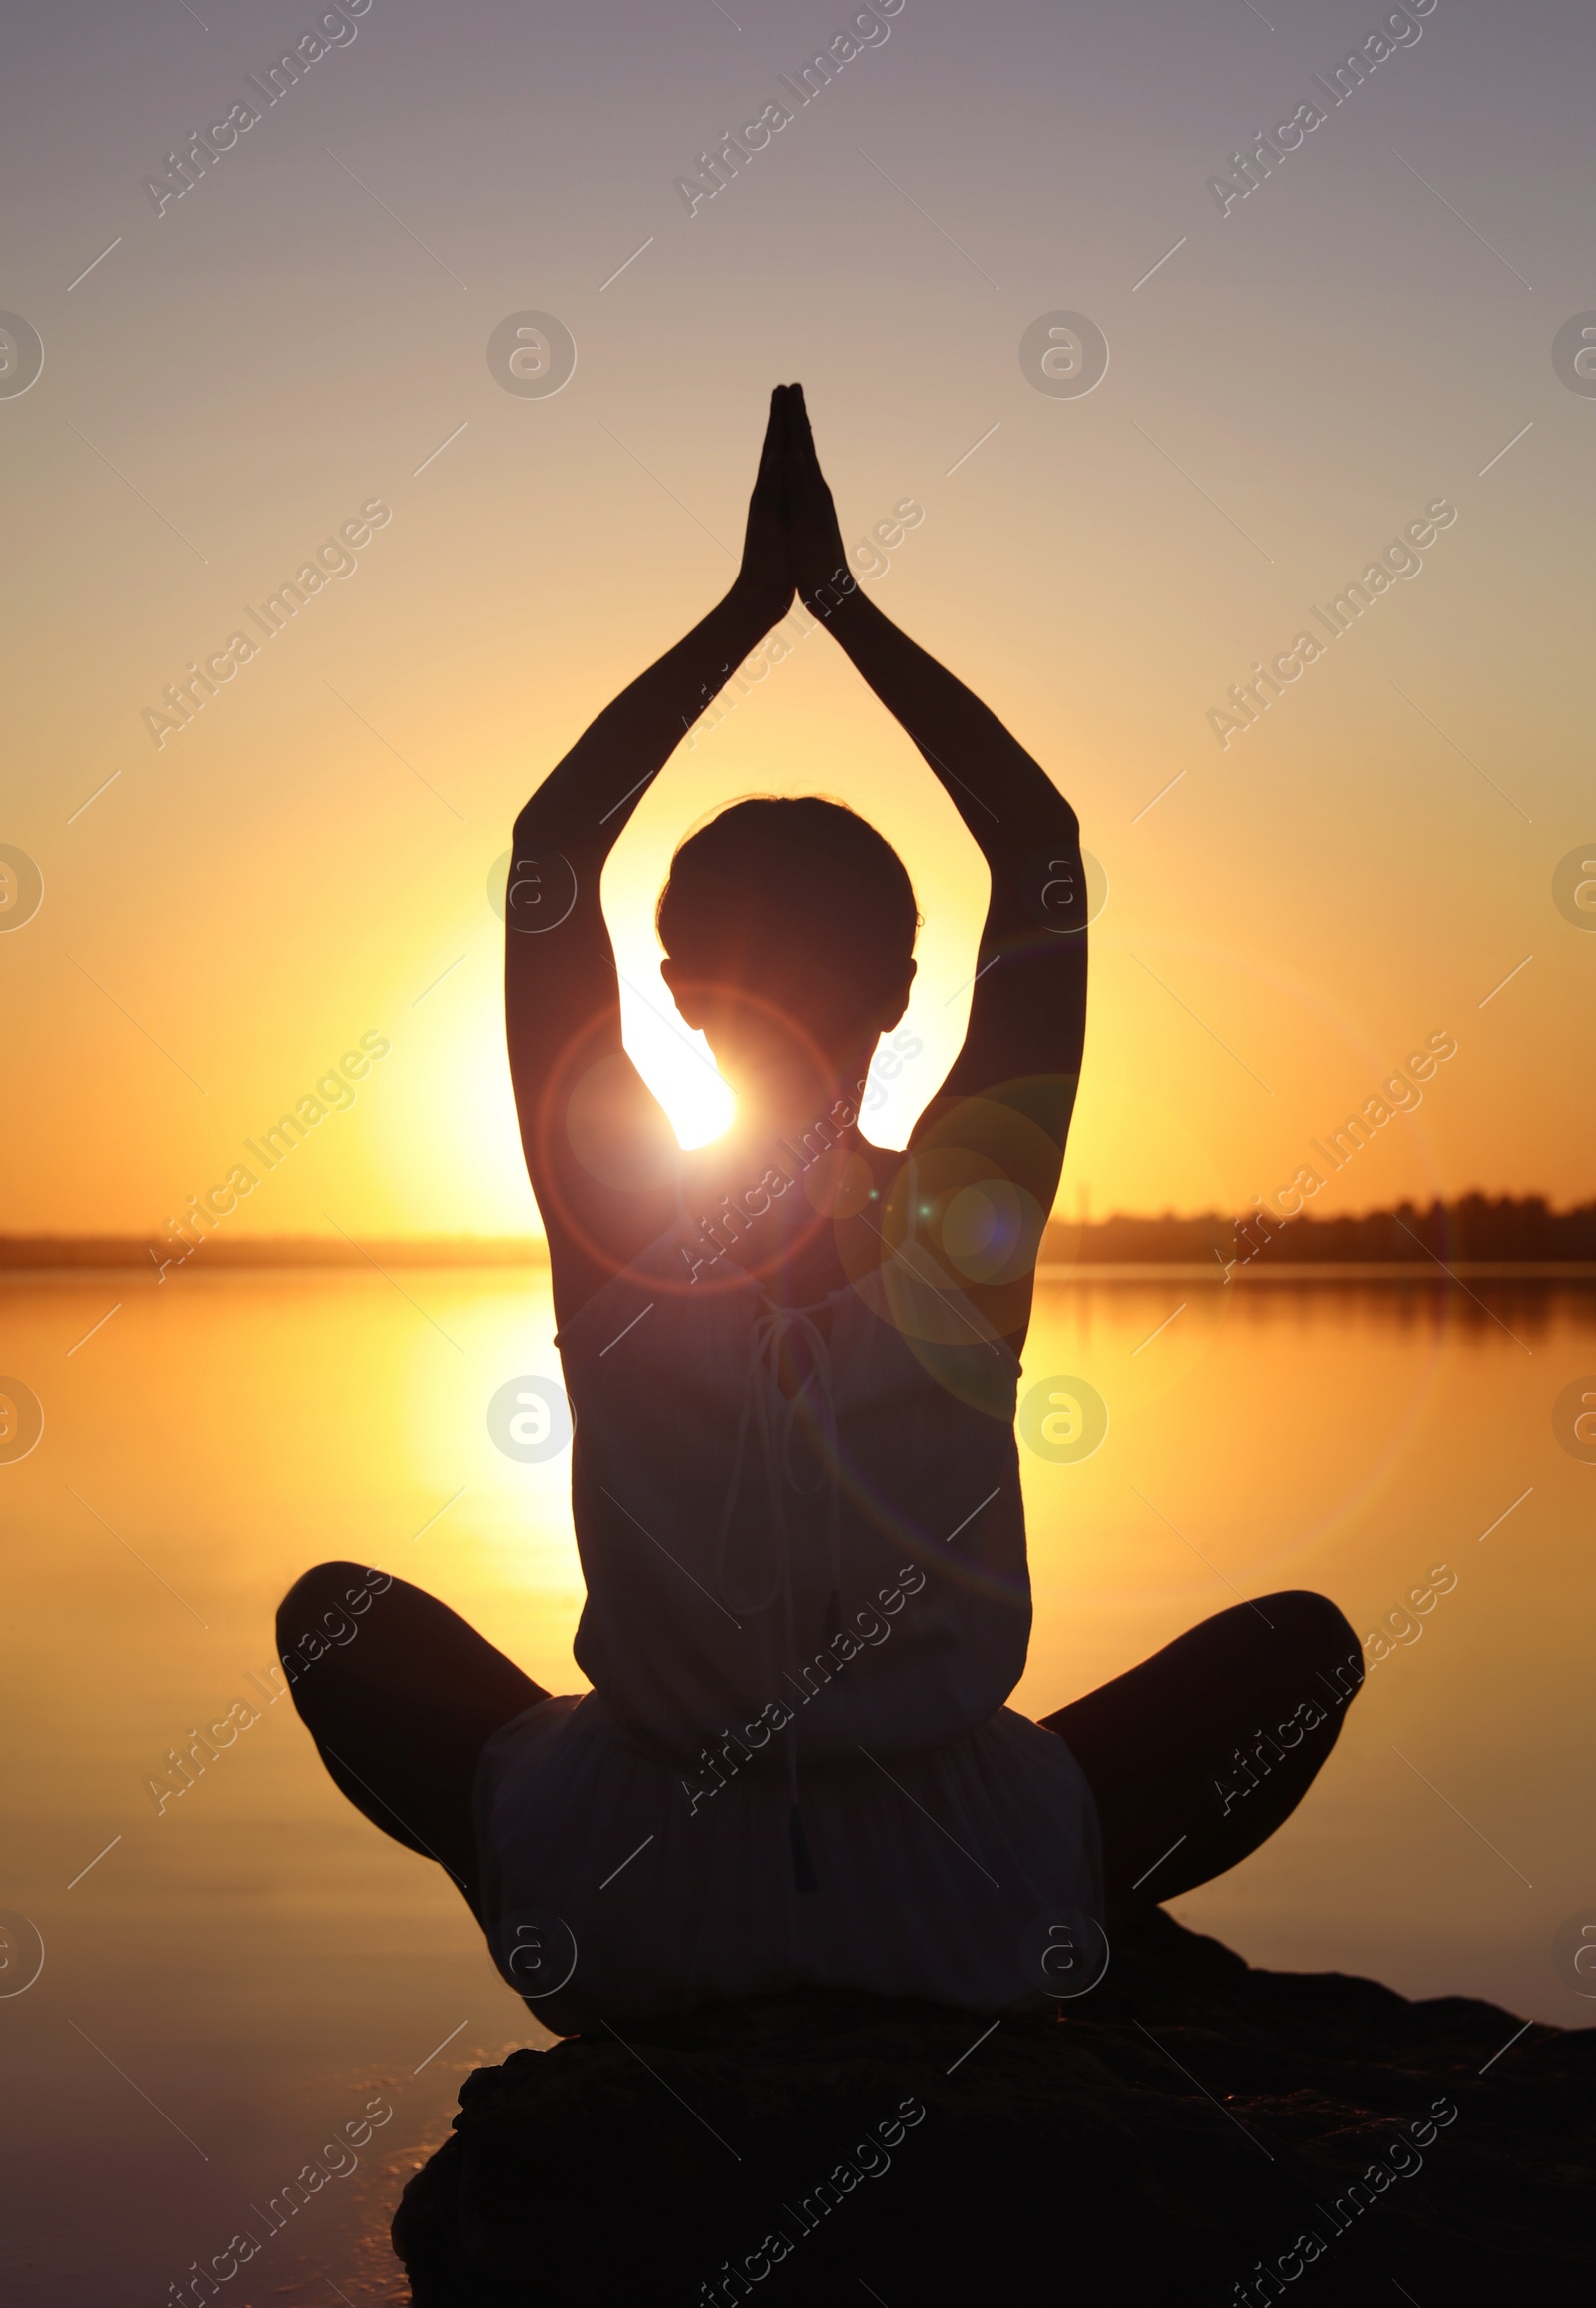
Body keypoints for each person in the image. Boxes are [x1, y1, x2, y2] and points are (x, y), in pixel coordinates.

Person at [278, 386, 1362, 2028]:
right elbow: (1046, 854)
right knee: (1306, 1648)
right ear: (904, 983)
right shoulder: (958, 1227)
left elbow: (543, 855)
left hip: (629, 1900)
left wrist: (744, 616)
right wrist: (845, 613)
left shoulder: (617, 1214)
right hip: (971, 1902)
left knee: (334, 1618)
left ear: (675, 983)